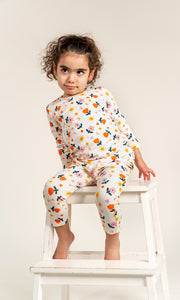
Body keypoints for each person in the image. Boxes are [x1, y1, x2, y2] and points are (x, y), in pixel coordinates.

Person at [41, 34, 156, 260]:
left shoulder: (101, 95)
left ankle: (112, 238)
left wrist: (139, 160)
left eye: (80, 72)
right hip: (80, 166)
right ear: (54, 69)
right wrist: (68, 172)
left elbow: (123, 126)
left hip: (114, 161)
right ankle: (64, 236)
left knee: (106, 194)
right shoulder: (53, 109)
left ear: (91, 73)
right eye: (65, 70)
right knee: (51, 189)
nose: (71, 78)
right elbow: (61, 143)